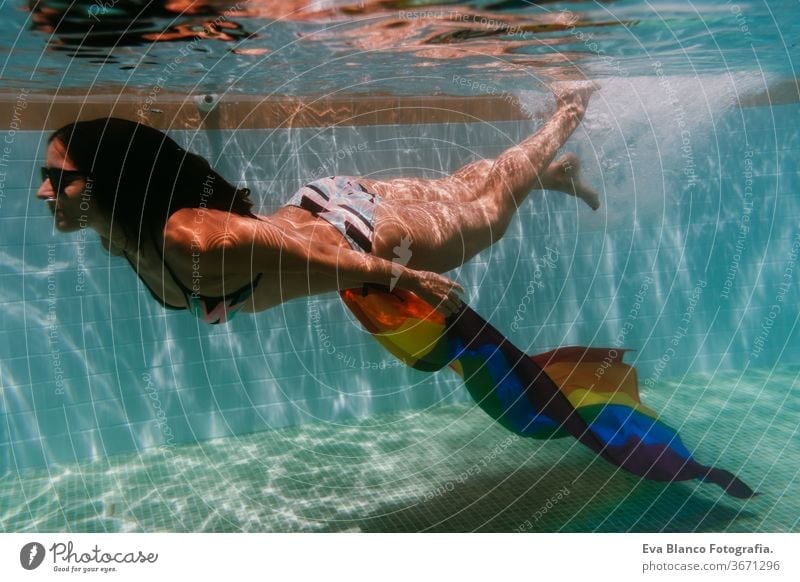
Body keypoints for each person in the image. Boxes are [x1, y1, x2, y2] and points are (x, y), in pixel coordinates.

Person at [37, 82, 598, 324]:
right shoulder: (119, 234)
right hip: (324, 205)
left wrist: (405, 279)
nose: (43, 192)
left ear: (113, 182)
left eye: (59, 180)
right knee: (457, 189)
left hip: (363, 235)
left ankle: (569, 110)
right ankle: (552, 176)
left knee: (489, 208)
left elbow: (308, 260)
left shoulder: (193, 240)